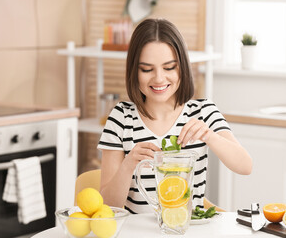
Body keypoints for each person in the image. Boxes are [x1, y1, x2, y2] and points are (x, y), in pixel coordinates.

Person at [98, 18, 252, 214]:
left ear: (182, 67)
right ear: (134, 71)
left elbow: (245, 165)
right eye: (147, 69)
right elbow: (107, 206)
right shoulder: (121, 118)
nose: (159, 78)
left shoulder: (203, 112)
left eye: (169, 67)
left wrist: (209, 135)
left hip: (187, 230)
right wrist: (128, 166)